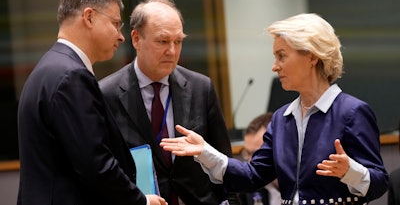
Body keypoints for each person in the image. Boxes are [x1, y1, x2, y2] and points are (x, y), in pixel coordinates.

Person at [160, 13, 389, 205]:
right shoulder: (282, 119)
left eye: (282, 56)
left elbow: (379, 183)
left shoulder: (352, 112)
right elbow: (252, 176)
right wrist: (205, 151)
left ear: (310, 56)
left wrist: (351, 171)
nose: (274, 66)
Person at [17, 0, 167, 205]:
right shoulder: (72, 76)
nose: (121, 36)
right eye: (116, 24)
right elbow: (94, 164)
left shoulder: (49, 67)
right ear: (89, 17)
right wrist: (140, 201)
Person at [99, 0, 238, 205]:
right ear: (136, 39)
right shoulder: (107, 93)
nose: (172, 51)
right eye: (163, 41)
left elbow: (224, 160)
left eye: (178, 41)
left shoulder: (201, 88)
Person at [239, 112, 281, 205]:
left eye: (256, 153)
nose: (250, 161)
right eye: (247, 153)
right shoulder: (248, 187)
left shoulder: (305, 183)